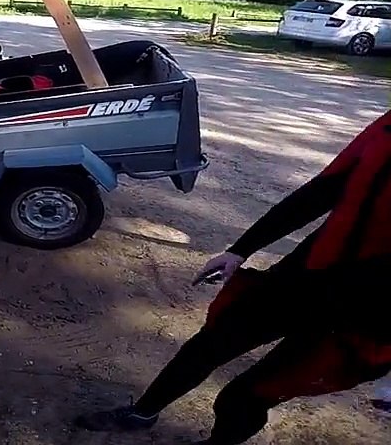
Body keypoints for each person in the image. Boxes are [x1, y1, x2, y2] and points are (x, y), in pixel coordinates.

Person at [73, 109, 391, 444]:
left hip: (366, 313)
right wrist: (241, 249)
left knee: (245, 396)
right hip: (307, 273)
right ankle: (142, 413)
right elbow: (321, 192)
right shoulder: (386, 126)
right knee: (209, 344)